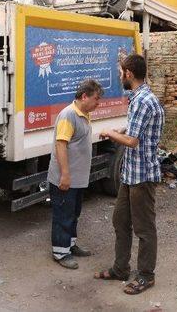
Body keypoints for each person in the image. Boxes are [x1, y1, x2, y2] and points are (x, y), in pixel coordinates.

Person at [95, 54, 164, 295]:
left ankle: (146, 275)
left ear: (129, 74)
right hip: (130, 173)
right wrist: (119, 130)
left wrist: (110, 133)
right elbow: (135, 129)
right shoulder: (138, 98)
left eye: (120, 71)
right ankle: (120, 269)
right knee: (120, 221)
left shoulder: (143, 100)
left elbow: (133, 141)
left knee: (144, 229)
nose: (118, 75)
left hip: (142, 175)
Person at [48, 79, 103, 269]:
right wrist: (65, 174)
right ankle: (60, 252)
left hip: (77, 180)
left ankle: (70, 245)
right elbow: (61, 145)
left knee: (73, 213)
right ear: (84, 96)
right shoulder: (68, 115)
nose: (98, 103)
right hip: (66, 179)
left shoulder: (84, 114)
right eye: (96, 99)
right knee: (63, 214)